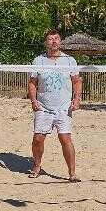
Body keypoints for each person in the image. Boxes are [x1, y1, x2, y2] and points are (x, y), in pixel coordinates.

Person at [27, 29, 82, 181]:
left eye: (56, 38)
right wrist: (33, 101)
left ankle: (72, 173)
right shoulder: (38, 61)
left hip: (63, 107)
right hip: (43, 106)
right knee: (38, 138)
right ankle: (37, 166)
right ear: (46, 42)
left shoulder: (70, 60)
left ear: (60, 41)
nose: (53, 41)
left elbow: (77, 81)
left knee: (65, 139)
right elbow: (32, 84)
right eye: (50, 39)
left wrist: (76, 99)